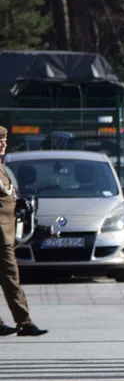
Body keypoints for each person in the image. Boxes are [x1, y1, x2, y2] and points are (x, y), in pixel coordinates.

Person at [0, 126, 46, 337]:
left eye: (5, 141)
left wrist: (17, 204)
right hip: (1, 236)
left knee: (9, 277)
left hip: (6, 233)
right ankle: (24, 322)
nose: (3, 145)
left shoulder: (2, 168)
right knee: (11, 277)